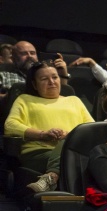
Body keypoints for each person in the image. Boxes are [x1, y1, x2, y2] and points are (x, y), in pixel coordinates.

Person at [4, 61, 94, 192]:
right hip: (39, 153)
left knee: (70, 143)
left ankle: (50, 177)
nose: (51, 82)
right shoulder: (24, 99)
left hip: (75, 152)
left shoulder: (74, 100)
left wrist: (69, 136)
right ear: (34, 84)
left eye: (55, 77)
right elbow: (10, 126)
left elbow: (91, 128)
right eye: (44, 79)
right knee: (71, 149)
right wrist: (43, 135)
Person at [0, 41, 70, 96]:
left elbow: (62, 96)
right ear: (13, 58)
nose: (30, 56)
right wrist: (10, 97)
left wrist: (63, 74)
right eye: (24, 54)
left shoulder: (47, 74)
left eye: (32, 53)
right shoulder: (3, 75)